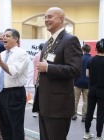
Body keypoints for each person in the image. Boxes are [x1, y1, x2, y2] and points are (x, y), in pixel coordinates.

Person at [36, 7, 82, 140]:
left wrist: (49, 68)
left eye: (50, 17)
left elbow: (75, 70)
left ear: (61, 19)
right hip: (44, 105)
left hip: (58, 108)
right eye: (45, 17)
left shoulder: (70, 40)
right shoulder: (47, 43)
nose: (46, 20)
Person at [0, 28, 30, 140]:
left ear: (16, 39)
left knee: (15, 126)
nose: (4, 38)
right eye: (3, 36)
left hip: (15, 93)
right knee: (4, 125)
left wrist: (0, 62)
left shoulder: (22, 53)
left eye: (7, 36)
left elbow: (14, 72)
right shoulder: (1, 54)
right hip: (1, 92)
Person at [83, 39, 104, 140]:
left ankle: (87, 133)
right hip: (102, 91)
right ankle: (99, 136)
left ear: (97, 48)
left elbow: (87, 75)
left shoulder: (91, 60)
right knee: (100, 114)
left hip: (92, 89)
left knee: (89, 111)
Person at [72, 44, 91, 122]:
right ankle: (84, 116)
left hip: (78, 82)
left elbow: (75, 70)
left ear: (83, 50)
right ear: (89, 50)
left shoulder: (79, 58)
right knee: (86, 100)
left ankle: (74, 114)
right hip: (87, 83)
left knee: (75, 99)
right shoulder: (91, 59)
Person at [32, 43, 44, 117]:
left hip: (36, 78)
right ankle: (41, 110)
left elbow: (34, 65)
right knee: (42, 95)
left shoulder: (36, 55)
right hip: (42, 78)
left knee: (36, 94)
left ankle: (35, 111)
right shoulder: (44, 55)